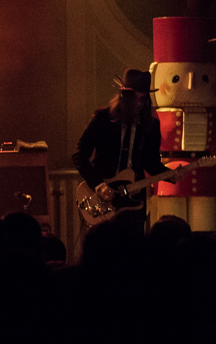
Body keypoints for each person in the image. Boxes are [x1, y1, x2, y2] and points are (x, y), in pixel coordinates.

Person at [72, 68, 180, 233]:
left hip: (134, 199)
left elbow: (151, 163)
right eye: (134, 98)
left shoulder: (151, 125)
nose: (139, 103)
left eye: (143, 99)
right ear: (124, 97)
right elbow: (79, 155)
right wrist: (98, 185)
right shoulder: (103, 119)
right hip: (104, 196)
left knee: (133, 244)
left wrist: (170, 175)